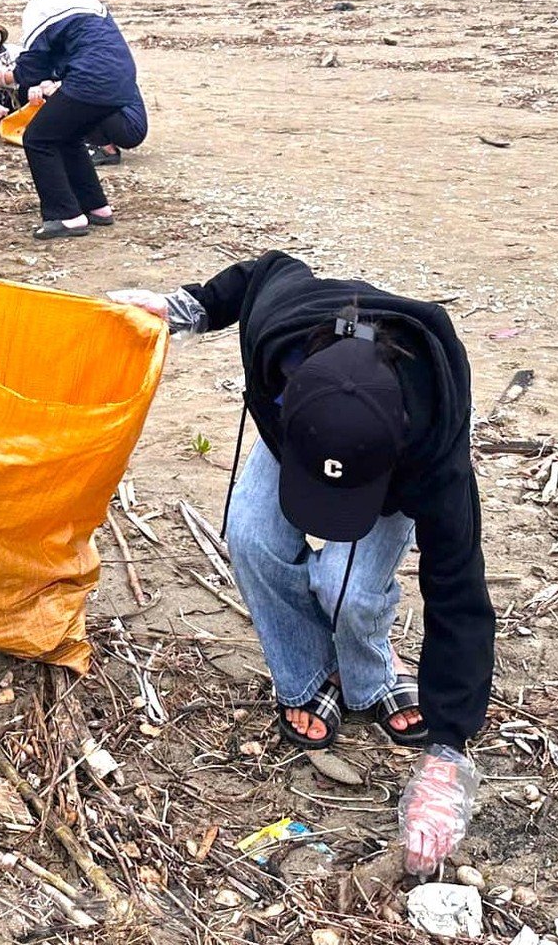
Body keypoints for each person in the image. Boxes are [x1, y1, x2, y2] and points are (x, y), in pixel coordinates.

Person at [107, 251, 493, 876]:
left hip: (386, 462)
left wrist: (448, 754)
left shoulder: (434, 451)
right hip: (306, 440)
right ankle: (310, 679)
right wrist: (191, 307)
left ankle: (368, 675)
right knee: (253, 538)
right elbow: (265, 270)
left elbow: (459, 590)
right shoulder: (278, 334)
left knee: (350, 589)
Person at [0, 0, 149, 240]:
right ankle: (96, 207)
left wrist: (4, 77)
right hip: (119, 80)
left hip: (91, 81)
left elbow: (34, 68)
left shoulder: (41, 4)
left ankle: (66, 215)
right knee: (67, 135)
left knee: (38, 138)